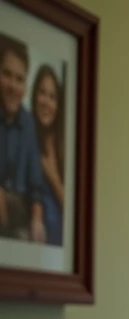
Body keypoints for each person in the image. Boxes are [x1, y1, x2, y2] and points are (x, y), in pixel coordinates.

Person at [0, 35, 46, 243]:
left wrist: (37, 220)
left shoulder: (29, 124)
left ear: (26, 85)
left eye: (19, 79)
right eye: (6, 75)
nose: (13, 86)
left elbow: (36, 188)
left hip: (19, 212)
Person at [32, 64, 64, 246]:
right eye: (42, 93)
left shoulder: (63, 143)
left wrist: (52, 175)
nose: (46, 102)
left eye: (52, 97)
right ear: (35, 95)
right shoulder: (27, 136)